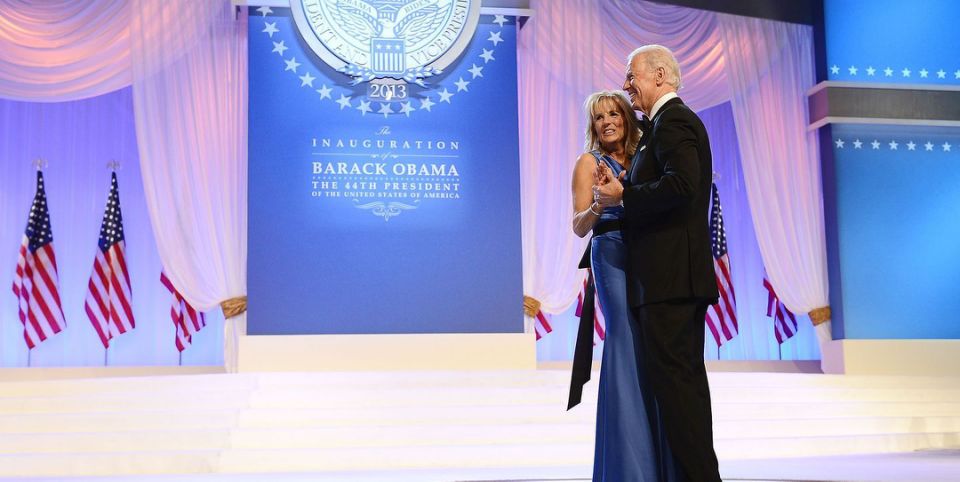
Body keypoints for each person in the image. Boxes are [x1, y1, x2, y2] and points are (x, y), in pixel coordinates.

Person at [594, 45, 722, 482]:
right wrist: (625, 184)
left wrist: (625, 195)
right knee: (679, 395)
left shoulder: (675, 121)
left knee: (680, 396)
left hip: (671, 282)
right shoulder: (660, 126)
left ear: (660, 75)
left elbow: (682, 186)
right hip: (667, 282)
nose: (627, 85)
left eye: (632, 76)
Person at [571, 90, 676, 481]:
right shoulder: (588, 162)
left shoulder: (644, 156)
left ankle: (659, 458)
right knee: (624, 340)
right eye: (599, 117)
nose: (607, 122)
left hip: (648, 253)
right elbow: (579, 225)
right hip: (611, 252)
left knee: (651, 342)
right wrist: (599, 202)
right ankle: (627, 468)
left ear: (627, 118)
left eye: (614, 114)